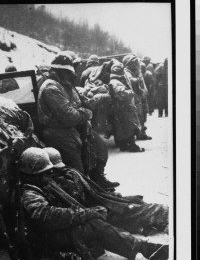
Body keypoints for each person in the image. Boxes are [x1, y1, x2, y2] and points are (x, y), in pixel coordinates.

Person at [19, 147, 169, 260]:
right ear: (33, 174)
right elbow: (46, 216)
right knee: (93, 225)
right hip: (48, 236)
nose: (49, 176)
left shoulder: (40, 185)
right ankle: (143, 248)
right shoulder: (29, 193)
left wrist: (85, 213)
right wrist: (84, 214)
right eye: (45, 173)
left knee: (96, 221)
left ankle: (144, 247)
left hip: (57, 229)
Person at [37, 51, 119, 191]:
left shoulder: (65, 85)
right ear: (60, 71)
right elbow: (69, 115)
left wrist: (89, 104)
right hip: (58, 132)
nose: (71, 75)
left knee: (99, 150)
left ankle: (97, 181)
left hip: (74, 129)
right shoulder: (51, 87)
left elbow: (79, 104)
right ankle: (83, 195)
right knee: (77, 168)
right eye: (68, 72)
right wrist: (85, 113)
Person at [44, 147, 168, 236]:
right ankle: (162, 213)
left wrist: (112, 197)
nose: (58, 171)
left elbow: (94, 191)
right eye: (53, 170)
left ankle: (157, 218)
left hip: (98, 202)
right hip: (92, 212)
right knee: (132, 211)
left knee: (134, 201)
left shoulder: (70, 174)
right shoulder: (52, 187)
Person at [108, 61, 144, 152]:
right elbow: (122, 93)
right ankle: (132, 146)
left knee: (124, 128)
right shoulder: (116, 82)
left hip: (121, 107)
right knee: (130, 127)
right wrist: (131, 92)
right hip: (124, 108)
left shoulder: (115, 81)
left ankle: (124, 146)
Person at [123, 54, 152, 140]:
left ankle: (142, 133)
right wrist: (136, 81)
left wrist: (144, 92)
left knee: (142, 115)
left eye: (136, 62)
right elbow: (131, 81)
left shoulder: (137, 71)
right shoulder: (126, 71)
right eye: (133, 62)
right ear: (129, 63)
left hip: (140, 95)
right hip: (133, 96)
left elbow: (142, 83)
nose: (136, 64)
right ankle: (135, 134)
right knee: (135, 116)